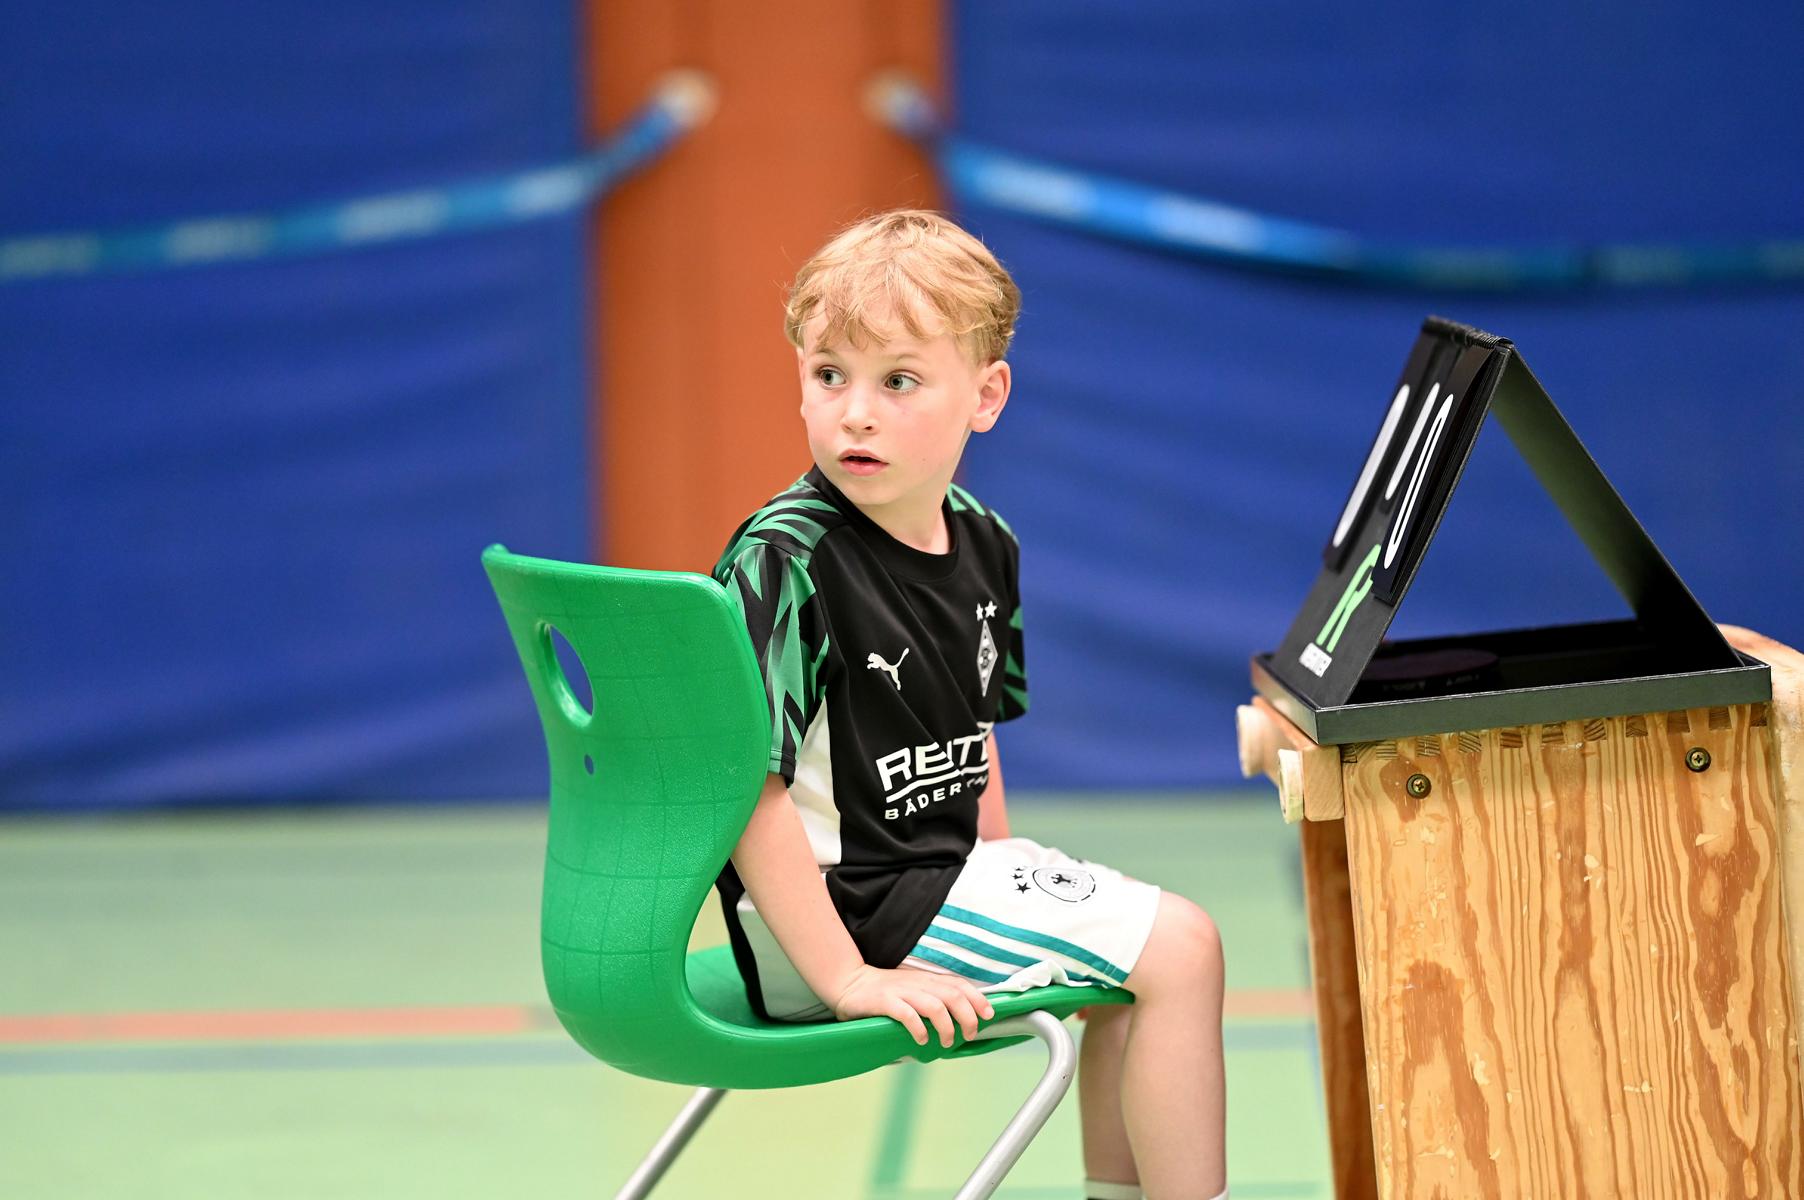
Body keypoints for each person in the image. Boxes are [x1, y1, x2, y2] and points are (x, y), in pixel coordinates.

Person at [711, 209, 1227, 1200]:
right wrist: (846, 979)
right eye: (829, 375)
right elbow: (745, 793)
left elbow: (971, 730)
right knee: (1183, 947)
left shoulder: (985, 542)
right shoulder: (783, 560)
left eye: (898, 381)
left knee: (1133, 971)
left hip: (928, 885)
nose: (855, 414)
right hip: (838, 921)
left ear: (986, 396)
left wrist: (1004, 868)